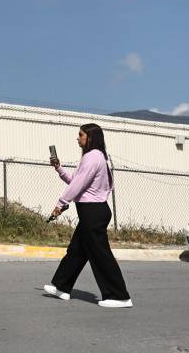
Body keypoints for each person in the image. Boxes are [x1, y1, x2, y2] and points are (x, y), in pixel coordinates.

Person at [43, 123, 132, 308]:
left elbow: (78, 184)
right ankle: (62, 287)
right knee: (76, 251)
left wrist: (61, 203)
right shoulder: (94, 156)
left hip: (93, 213)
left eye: (81, 135)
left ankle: (119, 296)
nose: (78, 138)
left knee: (100, 255)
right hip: (91, 212)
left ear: (90, 138)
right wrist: (59, 168)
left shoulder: (93, 157)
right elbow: (76, 180)